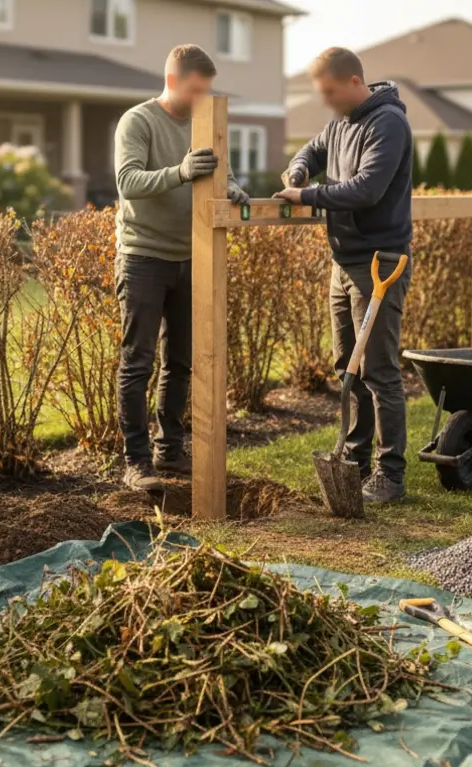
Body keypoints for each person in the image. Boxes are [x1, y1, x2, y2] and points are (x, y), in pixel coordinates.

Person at [274, 47, 414, 504]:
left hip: (379, 264)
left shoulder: (387, 122)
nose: (326, 102)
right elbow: (312, 150)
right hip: (344, 262)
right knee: (346, 368)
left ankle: (390, 475)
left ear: (354, 81)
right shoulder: (341, 121)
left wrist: (306, 196)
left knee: (379, 371)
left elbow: (368, 189)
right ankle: (353, 460)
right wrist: (298, 170)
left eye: (330, 92)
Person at [114, 44, 250, 492]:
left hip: (191, 255)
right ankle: (136, 463)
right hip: (144, 257)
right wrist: (180, 171)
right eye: (195, 90)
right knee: (139, 362)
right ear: (173, 81)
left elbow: (217, 173)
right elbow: (128, 183)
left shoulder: (203, 123)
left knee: (181, 362)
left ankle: (169, 451)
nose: (201, 99)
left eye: (206, 90)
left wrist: (232, 189)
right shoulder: (138, 121)